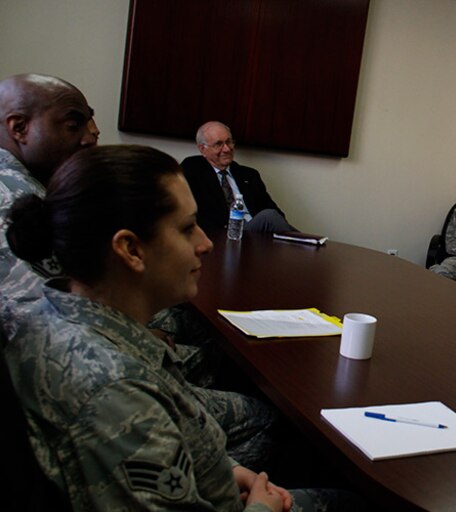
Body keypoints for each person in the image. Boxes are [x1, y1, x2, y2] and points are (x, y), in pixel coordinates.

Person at [5, 145, 357, 511]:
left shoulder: (52, 315)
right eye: (187, 228)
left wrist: (222, 469)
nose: (205, 244)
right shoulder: (117, 390)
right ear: (130, 249)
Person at [0, 73, 97, 307]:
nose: (88, 139)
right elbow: (41, 311)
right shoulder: (14, 199)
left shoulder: (34, 184)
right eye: (73, 126)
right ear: (20, 128)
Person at [181, 121, 293, 233]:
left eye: (229, 142)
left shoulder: (249, 175)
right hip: (226, 234)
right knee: (270, 216)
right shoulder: (193, 170)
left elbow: (276, 213)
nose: (227, 149)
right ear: (202, 149)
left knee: (273, 217)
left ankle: (305, 243)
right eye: (219, 144)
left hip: (256, 234)